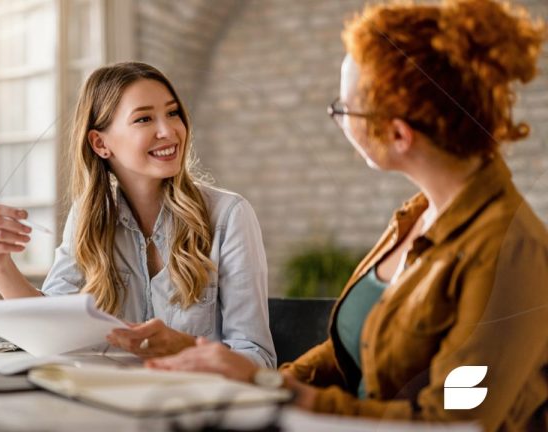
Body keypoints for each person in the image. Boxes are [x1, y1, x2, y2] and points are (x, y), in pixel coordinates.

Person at [146, 0, 547, 430]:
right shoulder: (415, 217)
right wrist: (254, 381)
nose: (338, 120)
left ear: (398, 134)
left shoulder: (512, 253)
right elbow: (348, 354)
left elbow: (450, 421)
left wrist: (275, 389)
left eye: (343, 109)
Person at [0, 62, 276, 367]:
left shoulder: (228, 216)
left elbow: (258, 359)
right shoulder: (88, 218)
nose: (169, 131)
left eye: (173, 113)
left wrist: (183, 347)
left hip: (193, 396)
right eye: (144, 118)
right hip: (106, 393)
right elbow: (49, 331)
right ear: (100, 143)